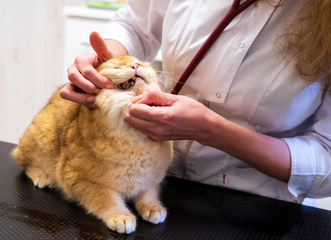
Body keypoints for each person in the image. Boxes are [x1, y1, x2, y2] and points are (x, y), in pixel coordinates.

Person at [60, 0, 331, 204]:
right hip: (155, 184)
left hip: (258, 209)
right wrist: (105, 62)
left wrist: (212, 131)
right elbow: (136, 25)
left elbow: (327, 161)